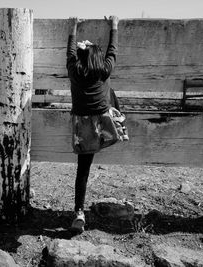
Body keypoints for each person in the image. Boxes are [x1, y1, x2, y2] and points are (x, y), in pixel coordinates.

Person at [67, 16, 127, 232]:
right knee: (110, 93)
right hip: (103, 125)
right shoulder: (104, 70)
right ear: (97, 57)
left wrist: (73, 27)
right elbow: (113, 50)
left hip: (83, 129)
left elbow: (71, 52)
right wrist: (114, 25)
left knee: (82, 171)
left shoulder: (74, 71)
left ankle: (79, 211)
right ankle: (121, 127)